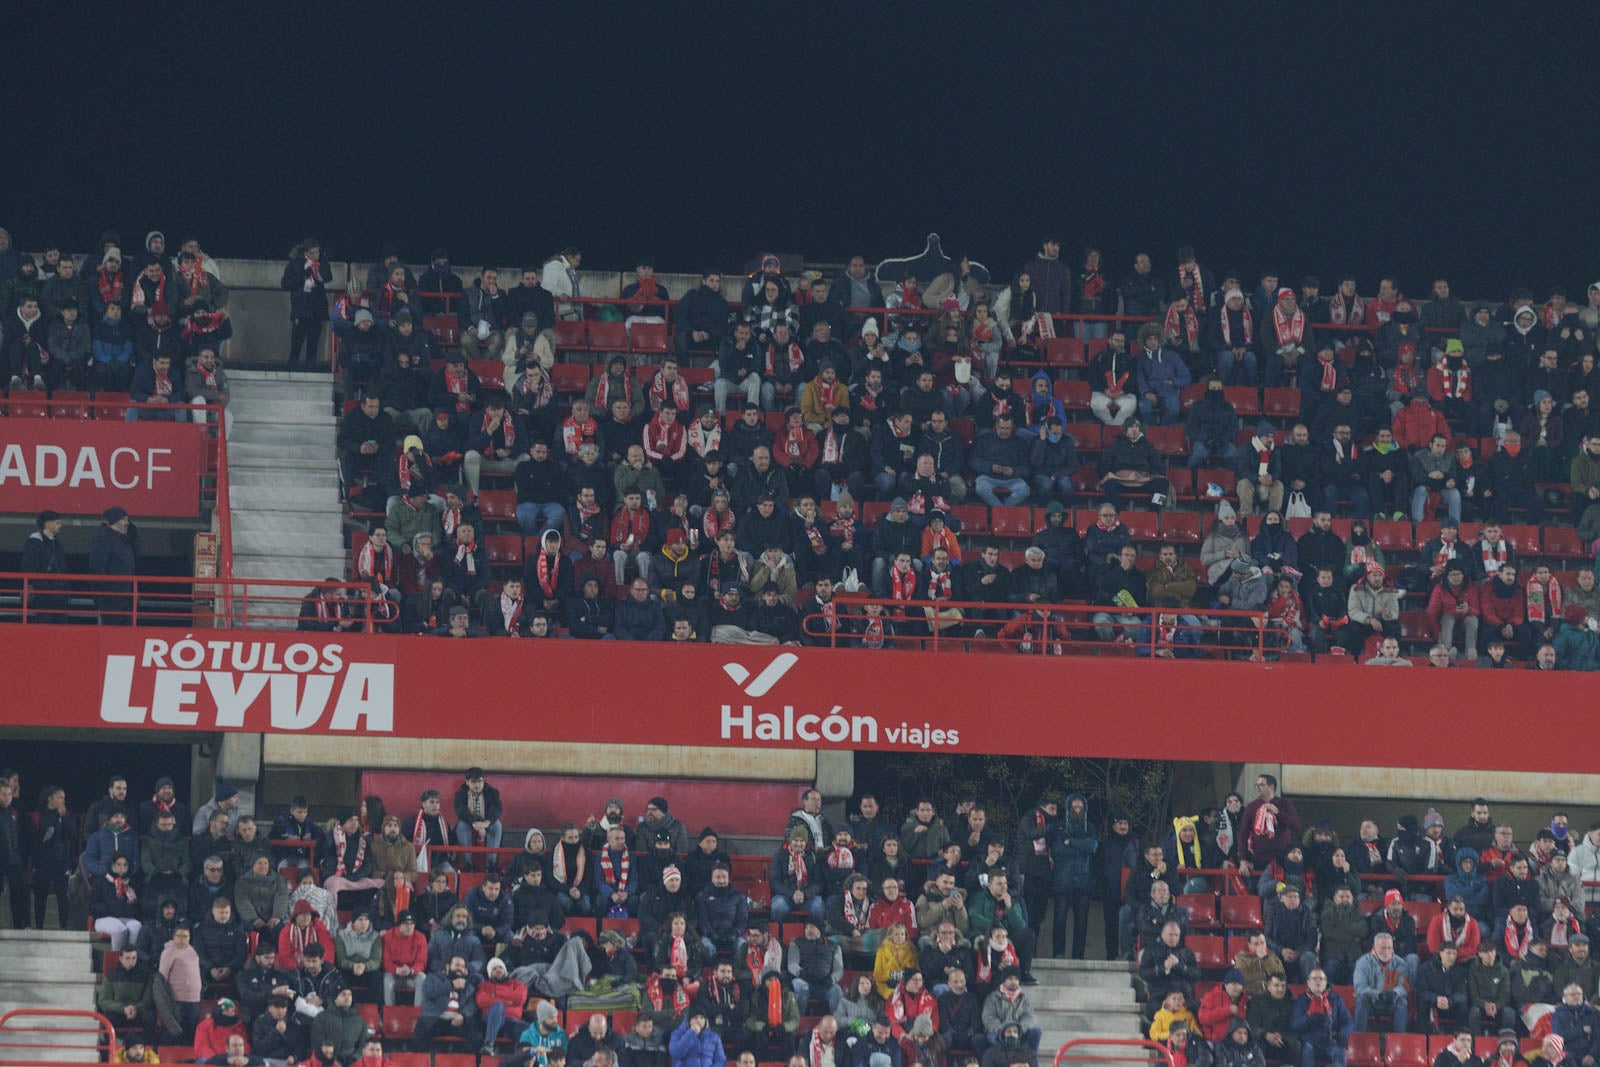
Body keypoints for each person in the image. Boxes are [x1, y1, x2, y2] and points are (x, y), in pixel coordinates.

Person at [1291, 969, 1352, 1067]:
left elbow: (1348, 1021)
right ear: (1308, 982)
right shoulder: (1301, 1000)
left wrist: (1343, 1034)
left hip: (1330, 1040)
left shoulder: (1336, 999)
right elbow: (1294, 1024)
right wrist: (1309, 1018)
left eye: (1321, 979)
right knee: (1307, 1050)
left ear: (1326, 982)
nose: (1318, 981)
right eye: (1314, 978)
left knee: (1340, 1051)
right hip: (1310, 1041)